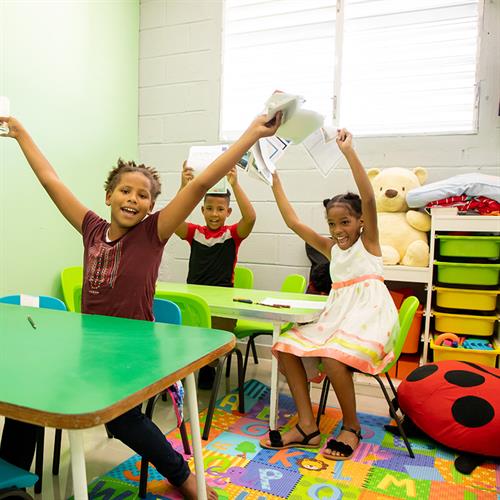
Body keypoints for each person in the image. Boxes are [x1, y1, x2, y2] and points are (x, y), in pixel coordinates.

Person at [0, 111, 281, 498]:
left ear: (151, 206)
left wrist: (251, 134)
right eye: (125, 191)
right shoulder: (92, 228)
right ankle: (13, 481)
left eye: (143, 195)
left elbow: (200, 184)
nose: (133, 199)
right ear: (109, 196)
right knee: (28, 396)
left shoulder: (154, 232)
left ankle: (182, 476)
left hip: (132, 353)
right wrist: (20, 132)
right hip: (89, 350)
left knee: (124, 421)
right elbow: (51, 181)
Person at [260, 129, 398, 461]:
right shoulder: (331, 249)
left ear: (361, 221)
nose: (338, 230)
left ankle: (351, 427)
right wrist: (273, 178)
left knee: (335, 356)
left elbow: (367, 197)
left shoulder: (369, 242)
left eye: (345, 222)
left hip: (370, 319)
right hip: (338, 317)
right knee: (286, 346)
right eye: (332, 224)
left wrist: (349, 152)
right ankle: (307, 427)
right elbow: (293, 222)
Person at [175, 163, 256, 389]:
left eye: (220, 209)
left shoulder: (232, 234)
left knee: (213, 341)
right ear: (202, 210)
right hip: (196, 297)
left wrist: (235, 184)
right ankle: (188, 369)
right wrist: (183, 186)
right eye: (209, 208)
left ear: (228, 212)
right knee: (189, 337)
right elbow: (173, 220)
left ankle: (209, 366)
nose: (214, 214)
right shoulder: (195, 233)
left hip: (223, 301)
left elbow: (250, 218)